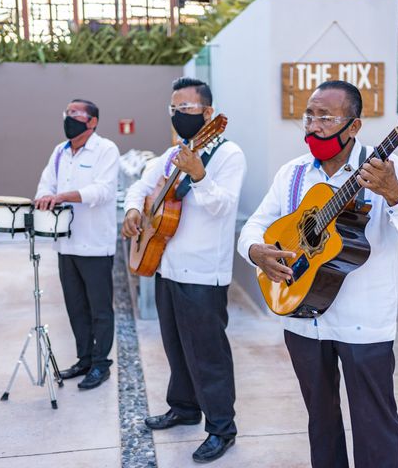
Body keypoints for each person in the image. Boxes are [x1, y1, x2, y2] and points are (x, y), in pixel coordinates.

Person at [237, 80, 398, 468]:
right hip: (300, 318)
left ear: (354, 126)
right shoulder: (291, 173)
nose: (313, 125)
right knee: (320, 421)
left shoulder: (385, 170)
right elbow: (254, 227)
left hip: (364, 323)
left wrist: (395, 194)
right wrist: (257, 252)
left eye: (325, 117)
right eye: (309, 115)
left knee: (374, 424)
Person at [122, 77, 246, 464]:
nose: (178, 115)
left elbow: (223, 207)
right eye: (173, 109)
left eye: (186, 109)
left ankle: (221, 427)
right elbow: (142, 185)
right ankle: (184, 407)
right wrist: (132, 209)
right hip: (167, 265)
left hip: (203, 274)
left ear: (208, 113)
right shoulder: (172, 152)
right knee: (175, 346)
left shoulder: (229, 155)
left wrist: (199, 174)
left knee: (208, 354)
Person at [35, 99, 119, 390]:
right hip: (66, 244)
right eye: (67, 113)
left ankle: (100, 364)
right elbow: (46, 184)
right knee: (76, 307)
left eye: (76, 113)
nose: (69, 117)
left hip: (95, 245)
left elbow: (104, 191)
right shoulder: (60, 151)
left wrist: (64, 196)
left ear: (92, 121)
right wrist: (47, 196)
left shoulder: (106, 149)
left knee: (100, 309)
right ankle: (84, 359)